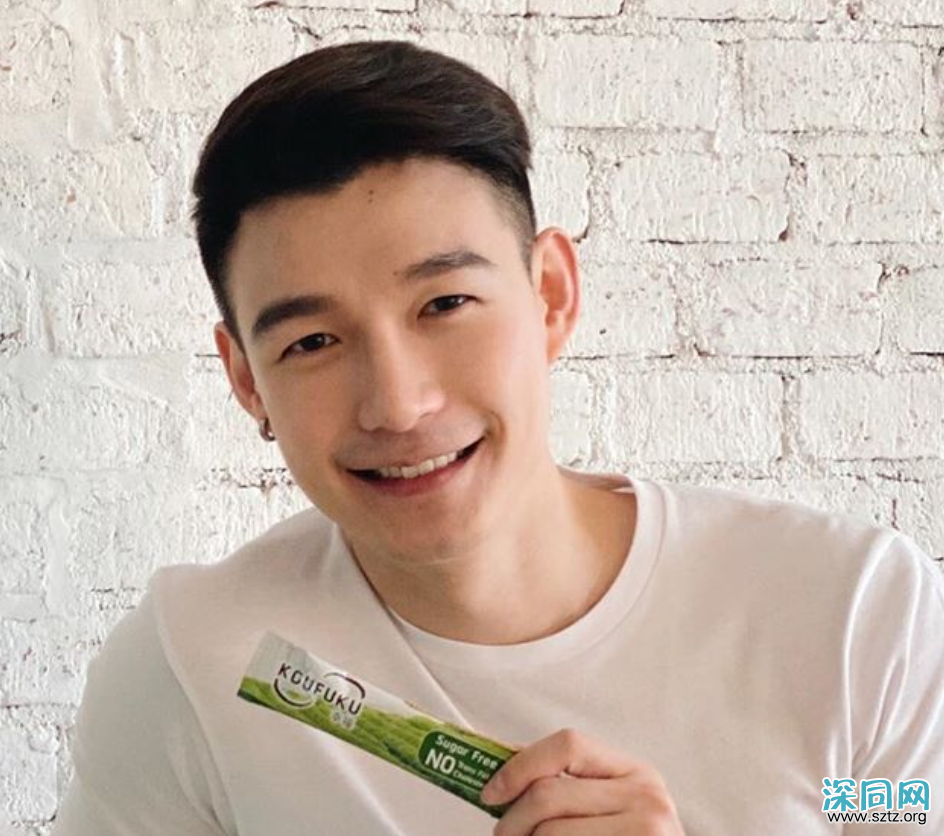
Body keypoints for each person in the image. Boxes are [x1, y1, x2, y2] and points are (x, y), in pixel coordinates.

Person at [53, 41, 944, 835]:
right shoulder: (193, 669)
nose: (397, 405)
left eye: (445, 303)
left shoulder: (849, 620)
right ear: (246, 378)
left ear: (551, 294)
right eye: (312, 343)